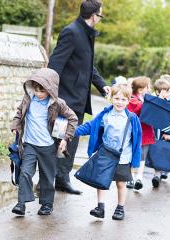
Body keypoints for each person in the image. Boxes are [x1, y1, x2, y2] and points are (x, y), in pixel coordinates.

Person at [48, 0, 110, 194]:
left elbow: (87, 66)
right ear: (94, 16)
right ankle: (47, 179)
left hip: (79, 100)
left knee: (71, 140)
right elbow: (55, 64)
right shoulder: (72, 32)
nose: (100, 19)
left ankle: (62, 178)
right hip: (66, 99)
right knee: (58, 139)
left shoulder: (86, 34)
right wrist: (52, 96)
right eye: (100, 15)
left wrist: (102, 86)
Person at [10, 68, 78, 216]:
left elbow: (73, 118)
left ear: (51, 90)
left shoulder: (58, 104)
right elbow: (19, 113)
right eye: (36, 90)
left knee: (47, 176)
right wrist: (15, 126)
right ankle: (21, 204)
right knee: (25, 173)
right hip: (30, 145)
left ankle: (47, 204)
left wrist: (66, 138)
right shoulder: (28, 99)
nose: (38, 94)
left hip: (48, 147)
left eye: (42, 91)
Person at [75, 84, 142, 220]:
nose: (119, 102)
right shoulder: (105, 115)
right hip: (105, 154)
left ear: (128, 101)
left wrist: (136, 162)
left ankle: (120, 208)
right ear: (111, 98)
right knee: (101, 180)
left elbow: (137, 140)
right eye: (116, 98)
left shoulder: (132, 118)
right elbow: (91, 126)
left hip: (123, 157)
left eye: (123, 99)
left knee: (121, 183)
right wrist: (73, 131)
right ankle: (100, 207)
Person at [126, 76, 154, 190]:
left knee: (143, 157)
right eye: (148, 87)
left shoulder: (144, 99)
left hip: (146, 132)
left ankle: (139, 178)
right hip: (136, 132)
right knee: (132, 155)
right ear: (141, 89)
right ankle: (130, 177)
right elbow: (135, 109)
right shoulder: (133, 100)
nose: (150, 89)